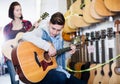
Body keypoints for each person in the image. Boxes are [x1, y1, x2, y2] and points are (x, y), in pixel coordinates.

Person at [22, 12, 87, 84]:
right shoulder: (42, 31)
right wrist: (47, 46)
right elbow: (25, 36)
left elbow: (59, 59)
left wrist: (70, 52)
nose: (55, 32)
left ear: (62, 28)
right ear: (49, 23)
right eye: (53, 28)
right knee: (61, 77)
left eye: (58, 30)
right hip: (42, 72)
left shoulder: (60, 38)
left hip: (58, 70)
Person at [3, 1, 34, 84]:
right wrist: (6, 56)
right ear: (12, 12)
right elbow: (6, 44)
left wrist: (35, 29)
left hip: (25, 55)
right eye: (17, 10)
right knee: (15, 81)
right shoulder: (6, 28)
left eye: (20, 9)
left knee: (31, 79)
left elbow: (32, 39)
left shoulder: (27, 24)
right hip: (11, 57)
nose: (20, 12)